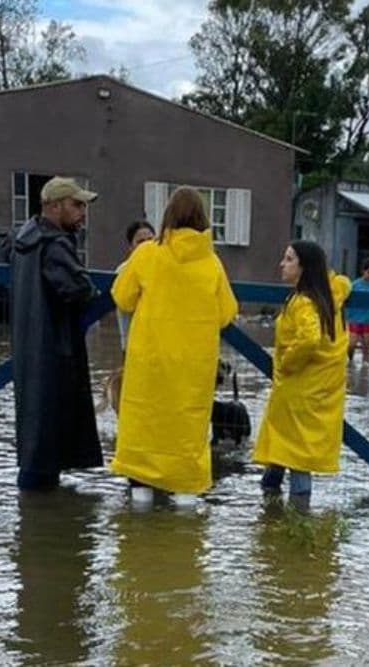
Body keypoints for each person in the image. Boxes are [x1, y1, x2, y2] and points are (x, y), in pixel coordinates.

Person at [110, 187, 238, 504]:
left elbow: (122, 296)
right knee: (186, 443)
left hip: (149, 363)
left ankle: (137, 529)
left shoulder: (146, 255)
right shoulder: (212, 264)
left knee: (144, 435)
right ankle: (183, 531)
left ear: (167, 216)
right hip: (192, 370)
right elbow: (226, 313)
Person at [8, 176, 103, 490]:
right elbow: (79, 289)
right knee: (46, 453)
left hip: (29, 350)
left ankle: (34, 525)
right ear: (54, 205)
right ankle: (43, 525)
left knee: (37, 448)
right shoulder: (54, 243)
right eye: (77, 205)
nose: (83, 213)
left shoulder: (25, 239)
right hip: (54, 352)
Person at [252, 241, 351, 502]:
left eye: (289, 259)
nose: (282, 264)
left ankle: (294, 520)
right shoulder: (330, 296)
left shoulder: (304, 303)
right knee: (286, 452)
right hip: (318, 390)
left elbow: (309, 339)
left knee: (295, 456)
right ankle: (274, 514)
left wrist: (286, 362)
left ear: (304, 267)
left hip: (299, 391)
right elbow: (342, 282)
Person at [116, 221, 156, 352]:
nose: (147, 245)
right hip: (133, 346)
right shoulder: (124, 271)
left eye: (150, 239)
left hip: (161, 348)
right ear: (131, 247)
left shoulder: (165, 269)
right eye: (141, 241)